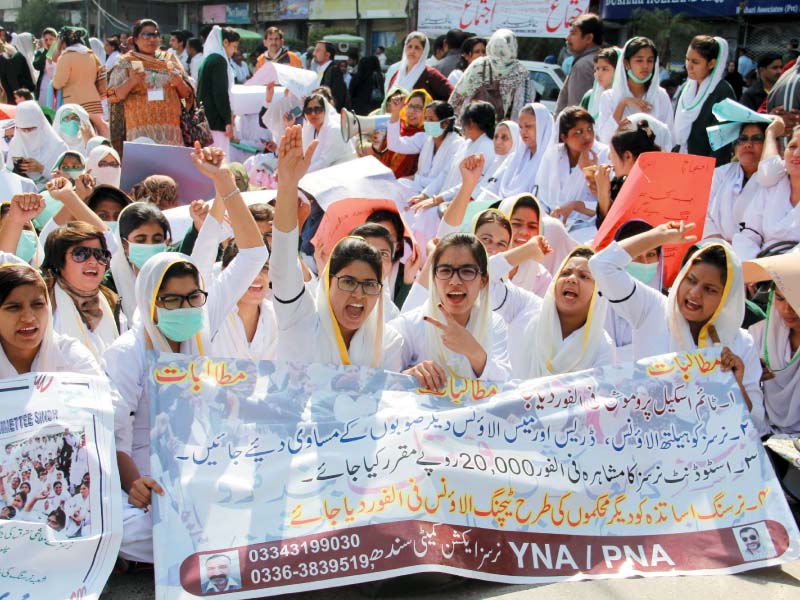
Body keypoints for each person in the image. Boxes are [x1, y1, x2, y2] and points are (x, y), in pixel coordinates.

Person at [104, 144, 267, 564]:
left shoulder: (203, 319)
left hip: (203, 463)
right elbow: (115, 434)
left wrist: (224, 181)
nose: (186, 308)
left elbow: (253, 254)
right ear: (151, 303)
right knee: (125, 527)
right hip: (145, 475)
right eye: (172, 302)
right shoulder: (127, 352)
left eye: (193, 297)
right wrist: (134, 483)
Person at [589, 222, 767, 435]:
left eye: (709, 289)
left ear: (726, 297)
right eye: (690, 280)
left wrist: (735, 383)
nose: (694, 293)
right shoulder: (652, 309)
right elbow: (601, 265)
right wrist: (658, 236)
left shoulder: (741, 343)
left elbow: (756, 424)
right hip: (649, 444)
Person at [271, 124, 403, 369]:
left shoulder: (387, 342)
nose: (359, 294)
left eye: (369, 285)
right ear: (329, 280)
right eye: (349, 281)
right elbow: (282, 266)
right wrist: (288, 186)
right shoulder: (299, 319)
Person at [392, 232, 510, 387]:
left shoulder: (494, 324)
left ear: (483, 280)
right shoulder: (409, 326)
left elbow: (505, 384)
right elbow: (383, 381)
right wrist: (410, 375)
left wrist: (473, 351)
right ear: (433, 277)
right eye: (445, 271)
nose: (455, 281)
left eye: (467, 271)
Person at [509, 246, 612, 378]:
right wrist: (527, 250)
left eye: (584, 276)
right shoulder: (526, 309)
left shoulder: (602, 346)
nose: (572, 279)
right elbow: (489, 279)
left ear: (598, 291)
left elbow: (601, 394)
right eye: (565, 273)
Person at [0, 252, 101, 377]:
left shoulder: (71, 358)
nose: (29, 317)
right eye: (14, 307)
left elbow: (101, 394)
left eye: (38, 305)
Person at [107, 19, 192, 149]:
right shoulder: (126, 62)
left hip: (171, 132)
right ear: (135, 39)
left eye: (156, 35)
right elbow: (113, 96)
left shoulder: (169, 59)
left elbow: (187, 95)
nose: (152, 39)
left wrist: (178, 82)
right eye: (146, 35)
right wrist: (132, 81)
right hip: (140, 132)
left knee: (168, 169)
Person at [745, 251, 800, 434]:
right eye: (780, 298)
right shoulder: (758, 334)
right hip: (765, 433)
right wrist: (752, 375)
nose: (787, 309)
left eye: (795, 299)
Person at [537, 106, 608, 243]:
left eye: (589, 129)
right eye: (578, 132)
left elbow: (605, 201)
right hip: (553, 219)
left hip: (588, 224)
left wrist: (590, 172)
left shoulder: (604, 154)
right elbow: (543, 196)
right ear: (564, 137)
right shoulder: (553, 156)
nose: (587, 136)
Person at [733, 119, 800, 259]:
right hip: (761, 268)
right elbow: (749, 234)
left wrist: (776, 272)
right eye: (792, 146)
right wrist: (751, 270)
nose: (796, 153)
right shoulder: (774, 185)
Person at [596, 37, 674, 143]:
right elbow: (605, 138)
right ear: (626, 63)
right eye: (639, 60)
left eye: (650, 61)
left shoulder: (660, 96)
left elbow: (669, 138)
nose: (645, 66)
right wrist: (623, 103)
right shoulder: (609, 97)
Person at [449, 29, 531, 124]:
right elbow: (523, 106)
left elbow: (458, 96)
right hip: (502, 130)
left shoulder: (479, 64)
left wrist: (451, 122)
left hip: (472, 126)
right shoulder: (520, 72)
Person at [674, 36, 734, 164]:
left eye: (695, 62)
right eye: (687, 59)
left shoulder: (722, 91)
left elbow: (721, 144)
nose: (689, 66)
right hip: (680, 161)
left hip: (706, 168)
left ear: (711, 63)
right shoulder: (685, 89)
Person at [477, 103, 553, 203]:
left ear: (543, 126)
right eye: (521, 127)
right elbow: (492, 188)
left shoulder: (551, 163)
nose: (523, 132)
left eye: (528, 126)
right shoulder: (513, 158)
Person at [704, 121, 767, 243]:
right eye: (742, 139)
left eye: (756, 139)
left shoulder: (777, 177)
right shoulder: (720, 174)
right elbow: (703, 212)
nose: (748, 144)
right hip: (716, 248)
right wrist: (720, 246)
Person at [595, 117, 661, 228]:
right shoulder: (619, 183)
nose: (609, 157)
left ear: (627, 156)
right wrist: (603, 192)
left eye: (612, 153)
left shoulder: (656, 185)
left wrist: (602, 192)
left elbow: (612, 231)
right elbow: (602, 229)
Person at [51, 27, 108, 138]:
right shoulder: (92, 55)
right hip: (94, 101)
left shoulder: (66, 57)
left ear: (64, 43)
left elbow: (58, 83)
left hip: (75, 101)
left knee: (77, 136)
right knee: (99, 130)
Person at [5, 100, 68, 188]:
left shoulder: (58, 147)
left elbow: (67, 180)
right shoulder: (15, 144)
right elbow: (8, 175)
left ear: (41, 125)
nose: (27, 133)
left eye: (31, 129)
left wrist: (41, 169)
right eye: (23, 130)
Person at [197, 26, 239, 156]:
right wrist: (227, 121)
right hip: (216, 122)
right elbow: (220, 93)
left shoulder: (207, 60)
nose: (235, 50)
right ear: (225, 42)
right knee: (218, 161)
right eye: (234, 46)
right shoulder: (219, 61)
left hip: (204, 120)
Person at [555, 13, 603, 114]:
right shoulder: (602, 60)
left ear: (589, 38)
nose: (567, 38)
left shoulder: (582, 66)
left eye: (573, 33)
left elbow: (576, 111)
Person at [375, 89, 429, 178]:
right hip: (380, 178)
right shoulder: (397, 125)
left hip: (404, 186)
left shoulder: (426, 136)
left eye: (418, 107)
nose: (412, 111)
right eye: (410, 106)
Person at [385, 33, 453, 102]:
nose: (412, 51)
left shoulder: (430, 74)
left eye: (417, 48)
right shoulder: (397, 74)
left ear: (424, 51)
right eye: (409, 46)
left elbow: (452, 95)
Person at [581, 47, 619, 121]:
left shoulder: (624, 97)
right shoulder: (589, 97)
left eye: (605, 69)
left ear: (618, 71)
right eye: (597, 69)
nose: (599, 74)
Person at [312, 42, 348, 110]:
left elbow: (338, 96)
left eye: (318, 51)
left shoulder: (334, 70)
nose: (314, 54)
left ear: (327, 55)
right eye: (314, 50)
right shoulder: (318, 69)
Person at [33, 28, 57, 105]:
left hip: (57, 83)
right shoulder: (41, 52)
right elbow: (37, 65)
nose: (48, 42)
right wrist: (46, 51)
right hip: (44, 84)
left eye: (51, 39)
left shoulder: (60, 51)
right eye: (46, 40)